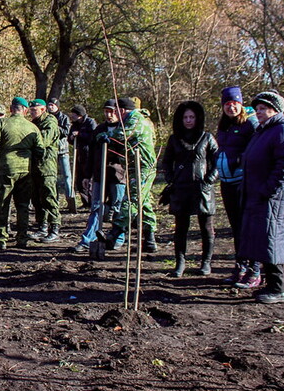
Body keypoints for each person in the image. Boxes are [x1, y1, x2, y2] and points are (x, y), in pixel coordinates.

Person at [238, 91, 284, 304]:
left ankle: (278, 289)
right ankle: (271, 286)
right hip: (261, 196)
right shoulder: (264, 131)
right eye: (256, 109)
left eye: (262, 109)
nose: (258, 112)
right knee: (264, 240)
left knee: (272, 240)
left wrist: (266, 191)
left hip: (273, 198)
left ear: (275, 109)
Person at [161, 101, 219, 277]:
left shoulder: (207, 137)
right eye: (185, 117)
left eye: (191, 117)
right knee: (180, 228)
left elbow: (217, 162)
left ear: (197, 118)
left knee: (206, 227)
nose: (188, 120)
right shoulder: (174, 139)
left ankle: (206, 263)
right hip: (181, 188)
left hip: (202, 188)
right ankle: (180, 263)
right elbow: (166, 161)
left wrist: (209, 180)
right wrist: (171, 179)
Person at [215, 86, 261, 287]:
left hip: (244, 182)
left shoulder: (250, 123)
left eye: (234, 103)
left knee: (248, 226)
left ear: (240, 103)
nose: (230, 107)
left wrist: (240, 162)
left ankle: (255, 268)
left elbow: (255, 150)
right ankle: (240, 265)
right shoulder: (224, 124)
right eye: (227, 104)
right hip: (227, 183)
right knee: (236, 227)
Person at [99, 98, 158, 252]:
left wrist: (106, 136)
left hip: (142, 167)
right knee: (144, 203)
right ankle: (150, 239)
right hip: (134, 165)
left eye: (116, 110)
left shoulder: (136, 120)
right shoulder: (136, 119)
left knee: (132, 199)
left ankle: (115, 231)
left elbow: (122, 136)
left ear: (122, 110)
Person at [0, 97, 42, 249]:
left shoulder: (1, 123)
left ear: (11, 109)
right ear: (25, 110)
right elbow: (40, 150)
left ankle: (0, 239)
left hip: (5, 169)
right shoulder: (32, 127)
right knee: (23, 206)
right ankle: (22, 239)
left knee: (2, 204)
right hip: (25, 170)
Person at [72, 101, 127, 253]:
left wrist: (114, 144)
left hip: (118, 175)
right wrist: (87, 174)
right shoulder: (99, 130)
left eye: (112, 111)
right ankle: (87, 240)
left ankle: (118, 238)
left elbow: (126, 153)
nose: (109, 115)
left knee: (117, 208)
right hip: (99, 174)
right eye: (106, 112)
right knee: (96, 207)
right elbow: (91, 153)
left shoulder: (124, 129)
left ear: (118, 112)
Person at [28, 99, 61, 242]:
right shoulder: (34, 123)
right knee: (36, 199)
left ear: (43, 110)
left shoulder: (50, 122)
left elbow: (43, 141)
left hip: (47, 166)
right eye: (31, 110)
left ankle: (55, 228)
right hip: (35, 166)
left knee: (49, 197)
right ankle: (42, 226)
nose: (32, 112)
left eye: (35, 110)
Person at [46, 99, 75, 213]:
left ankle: (70, 199)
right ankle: (55, 200)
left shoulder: (64, 118)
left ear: (57, 106)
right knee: (53, 177)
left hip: (62, 150)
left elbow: (66, 131)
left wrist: (54, 127)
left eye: (53, 105)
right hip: (51, 151)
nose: (51, 107)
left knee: (67, 176)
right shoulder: (46, 118)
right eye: (49, 105)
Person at [69, 104, 98, 208]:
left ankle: (92, 202)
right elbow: (70, 139)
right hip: (79, 154)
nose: (72, 116)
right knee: (79, 180)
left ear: (80, 115)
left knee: (88, 180)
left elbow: (93, 137)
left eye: (74, 114)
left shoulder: (90, 122)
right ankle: (85, 202)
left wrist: (80, 134)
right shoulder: (75, 124)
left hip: (89, 154)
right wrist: (72, 137)